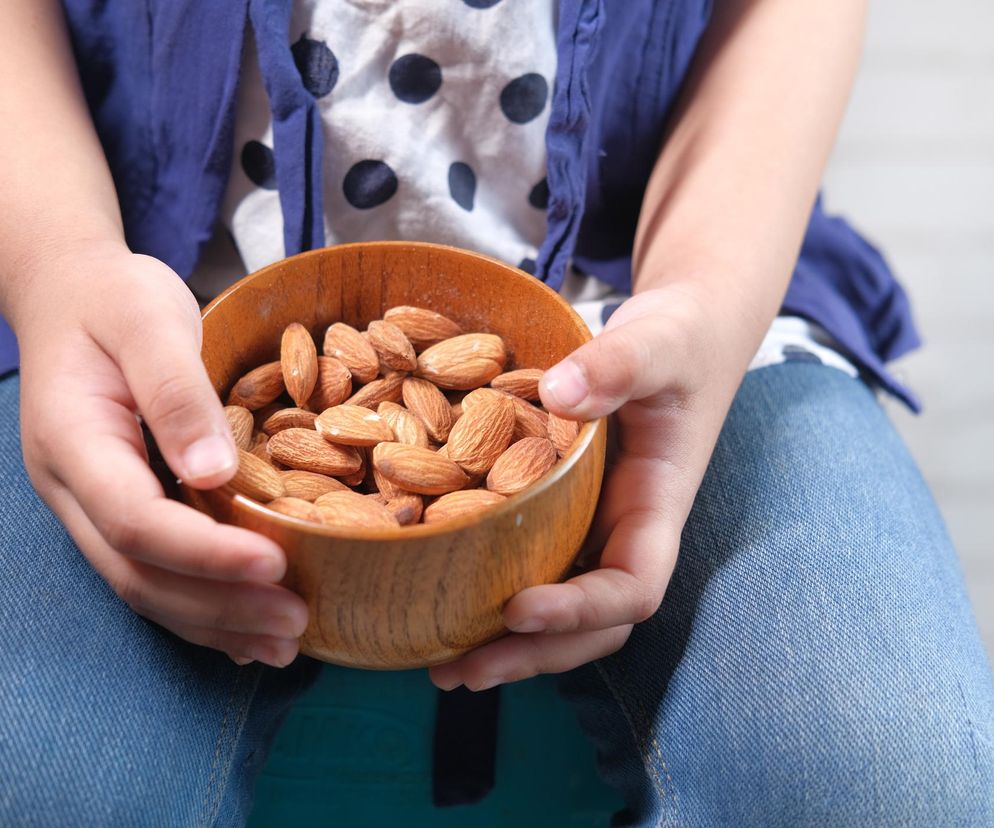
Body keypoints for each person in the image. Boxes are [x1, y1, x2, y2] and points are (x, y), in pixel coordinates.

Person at [1, 0, 992, 825]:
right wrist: (53, 262)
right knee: (37, 784)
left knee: (893, 781)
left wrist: (706, 289)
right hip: (134, 299)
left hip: (667, 293)